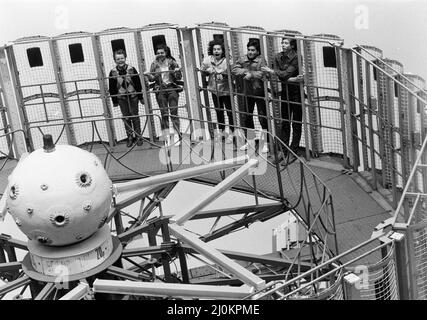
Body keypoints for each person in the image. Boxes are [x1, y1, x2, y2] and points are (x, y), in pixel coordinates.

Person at [261, 38, 304, 156]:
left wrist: (274, 72)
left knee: (296, 123)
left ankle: (293, 150)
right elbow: (282, 76)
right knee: (285, 122)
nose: (283, 45)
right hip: (286, 92)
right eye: (282, 43)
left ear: (292, 45)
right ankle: (284, 151)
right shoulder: (278, 56)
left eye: (286, 43)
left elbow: (285, 74)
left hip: (296, 93)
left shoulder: (296, 56)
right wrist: (293, 79)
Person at [232, 40, 269, 153]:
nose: (250, 52)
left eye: (253, 50)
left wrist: (252, 74)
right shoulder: (243, 58)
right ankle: (250, 142)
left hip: (260, 93)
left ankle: (265, 143)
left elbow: (263, 73)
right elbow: (234, 69)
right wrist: (246, 71)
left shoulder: (261, 60)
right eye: (249, 50)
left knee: (263, 118)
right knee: (247, 117)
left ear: (258, 51)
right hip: (247, 92)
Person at [145, 44, 182, 147]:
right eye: (158, 53)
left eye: (162, 52)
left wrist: (177, 72)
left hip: (171, 88)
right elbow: (152, 79)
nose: (160, 54)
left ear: (166, 53)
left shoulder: (172, 62)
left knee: (174, 112)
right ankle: (166, 138)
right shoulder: (154, 64)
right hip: (160, 89)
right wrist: (148, 75)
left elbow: (179, 77)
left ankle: (176, 136)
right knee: (164, 114)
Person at [200, 39, 234, 144]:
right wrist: (206, 71)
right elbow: (202, 71)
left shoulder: (228, 60)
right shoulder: (207, 60)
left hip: (227, 91)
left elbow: (232, 72)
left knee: (230, 113)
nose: (216, 51)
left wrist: (222, 72)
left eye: (219, 49)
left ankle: (232, 134)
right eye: (214, 49)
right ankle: (222, 133)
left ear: (223, 50)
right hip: (215, 91)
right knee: (219, 112)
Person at [108, 49, 145, 147]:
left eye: (122, 58)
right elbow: (111, 87)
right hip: (121, 98)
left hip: (133, 96)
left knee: (135, 116)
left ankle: (138, 136)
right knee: (126, 117)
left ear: (125, 58)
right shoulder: (113, 72)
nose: (120, 60)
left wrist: (140, 97)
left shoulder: (131, 69)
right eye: (118, 59)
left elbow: (138, 84)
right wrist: (114, 100)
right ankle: (129, 137)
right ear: (115, 60)